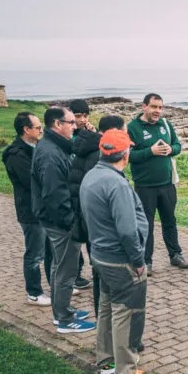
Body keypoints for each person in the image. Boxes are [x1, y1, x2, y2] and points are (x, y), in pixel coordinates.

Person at [80, 129, 159, 374]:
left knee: (106, 308)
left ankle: (107, 360)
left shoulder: (92, 175)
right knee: (128, 314)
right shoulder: (116, 183)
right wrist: (138, 260)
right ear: (125, 156)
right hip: (120, 260)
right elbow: (127, 230)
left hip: (100, 256)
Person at [30, 106, 96, 333]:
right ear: (58, 124)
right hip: (60, 222)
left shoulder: (53, 145)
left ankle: (61, 311)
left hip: (56, 219)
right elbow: (54, 194)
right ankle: (65, 319)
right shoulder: (50, 153)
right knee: (66, 270)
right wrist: (71, 222)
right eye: (71, 122)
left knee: (60, 267)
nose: (75, 126)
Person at [126, 93, 188, 275]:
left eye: (160, 107)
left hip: (167, 184)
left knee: (170, 221)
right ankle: (146, 261)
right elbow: (128, 156)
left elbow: (177, 146)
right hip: (145, 186)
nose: (158, 111)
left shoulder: (166, 124)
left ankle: (175, 254)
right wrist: (150, 151)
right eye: (154, 107)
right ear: (144, 106)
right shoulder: (132, 128)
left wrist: (171, 149)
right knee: (146, 224)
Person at [69, 114, 125, 316]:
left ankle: (104, 318)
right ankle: (106, 319)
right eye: (123, 131)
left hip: (87, 219)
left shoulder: (88, 147)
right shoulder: (98, 156)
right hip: (98, 224)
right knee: (103, 275)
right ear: (113, 132)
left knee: (98, 271)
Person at [2, 111, 52, 306]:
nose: (41, 131)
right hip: (30, 211)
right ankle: (34, 293)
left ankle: (56, 286)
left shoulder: (37, 147)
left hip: (44, 208)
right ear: (26, 129)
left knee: (50, 251)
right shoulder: (15, 154)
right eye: (38, 127)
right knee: (35, 254)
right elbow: (32, 181)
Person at [68, 99, 96, 291]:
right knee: (76, 238)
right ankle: (75, 275)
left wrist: (94, 136)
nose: (82, 120)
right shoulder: (68, 136)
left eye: (85, 116)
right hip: (72, 192)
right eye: (78, 116)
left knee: (92, 237)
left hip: (87, 191)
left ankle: (96, 269)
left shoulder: (89, 134)